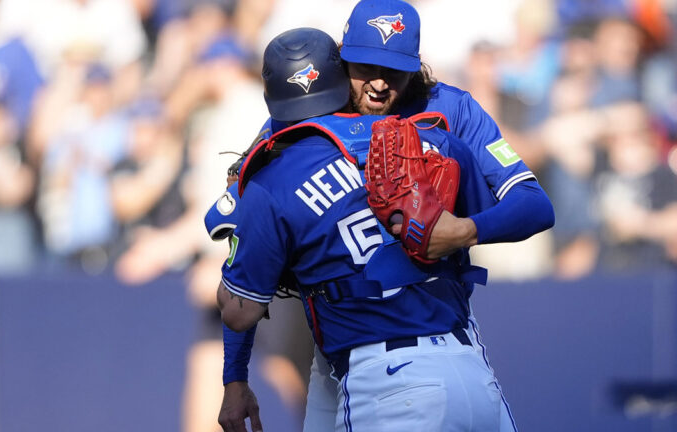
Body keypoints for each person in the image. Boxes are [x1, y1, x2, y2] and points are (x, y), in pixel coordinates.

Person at [211, 1, 552, 430]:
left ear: (416, 65)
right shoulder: (310, 112)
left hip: (422, 342)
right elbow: (245, 251)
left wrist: (464, 230)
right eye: (364, 65)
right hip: (339, 344)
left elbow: (535, 205)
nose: (377, 83)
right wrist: (234, 377)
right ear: (341, 56)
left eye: (393, 70)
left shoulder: (449, 110)